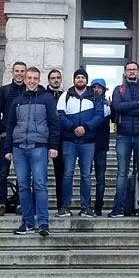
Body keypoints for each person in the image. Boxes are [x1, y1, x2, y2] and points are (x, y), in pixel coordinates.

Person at [1, 67, 60, 237]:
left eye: (35, 78)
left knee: (40, 185)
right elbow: (10, 125)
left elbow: (54, 124)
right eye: (29, 78)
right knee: (24, 187)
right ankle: (27, 223)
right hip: (19, 148)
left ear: (39, 80)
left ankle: (43, 223)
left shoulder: (47, 99)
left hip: (39, 147)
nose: (32, 81)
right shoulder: (17, 100)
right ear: (25, 80)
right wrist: (8, 148)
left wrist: (53, 146)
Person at [109, 61, 139, 218]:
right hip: (123, 135)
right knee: (122, 173)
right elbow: (116, 107)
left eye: (134, 69)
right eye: (129, 70)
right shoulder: (118, 89)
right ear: (125, 72)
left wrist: (128, 108)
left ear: (138, 71)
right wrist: (136, 104)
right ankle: (118, 209)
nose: (132, 72)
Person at [57, 69, 104, 218]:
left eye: (83, 77)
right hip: (69, 141)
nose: (80, 80)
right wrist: (73, 128)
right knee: (67, 174)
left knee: (86, 176)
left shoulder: (95, 97)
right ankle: (65, 206)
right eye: (78, 77)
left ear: (86, 80)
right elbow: (60, 115)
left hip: (88, 142)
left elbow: (99, 115)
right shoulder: (65, 96)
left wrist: (85, 127)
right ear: (74, 80)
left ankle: (86, 207)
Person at [0, 61, 27, 215]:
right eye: (17, 71)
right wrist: (1, 130)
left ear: (25, 73)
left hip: (23, 138)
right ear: (12, 73)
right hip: (7, 137)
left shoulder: (30, 91)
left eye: (22, 71)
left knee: (22, 173)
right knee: (3, 172)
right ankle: (1, 203)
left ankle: (20, 203)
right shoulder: (3, 91)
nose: (19, 74)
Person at [46, 69, 66, 209]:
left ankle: (61, 204)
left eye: (58, 77)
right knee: (39, 174)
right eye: (53, 78)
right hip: (43, 137)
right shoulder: (42, 95)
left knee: (61, 173)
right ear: (49, 80)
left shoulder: (66, 95)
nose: (56, 80)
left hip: (61, 138)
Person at [91, 78, 111, 216]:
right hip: (87, 143)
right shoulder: (87, 103)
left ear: (104, 89)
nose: (97, 89)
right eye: (94, 87)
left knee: (100, 178)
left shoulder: (108, 105)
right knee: (85, 176)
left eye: (100, 87)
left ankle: (98, 206)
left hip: (101, 145)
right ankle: (85, 204)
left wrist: (112, 106)